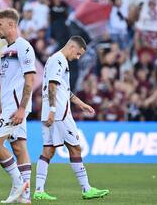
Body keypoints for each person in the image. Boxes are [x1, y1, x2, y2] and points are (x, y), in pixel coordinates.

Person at [33, 36, 110, 200]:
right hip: (59, 113)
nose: (78, 57)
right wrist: (54, 110)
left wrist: (81, 104)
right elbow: (52, 86)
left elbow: (63, 90)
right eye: (79, 54)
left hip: (51, 111)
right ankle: (86, 189)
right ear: (72, 47)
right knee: (75, 148)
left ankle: (39, 191)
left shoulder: (55, 60)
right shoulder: (59, 60)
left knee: (48, 149)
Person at [0, 8, 36, 204]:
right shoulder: (6, 49)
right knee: (18, 146)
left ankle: (18, 183)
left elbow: (30, 80)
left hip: (16, 107)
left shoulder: (24, 47)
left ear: (11, 25)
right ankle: (25, 196)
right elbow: (4, 81)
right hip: (7, 106)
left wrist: (22, 108)